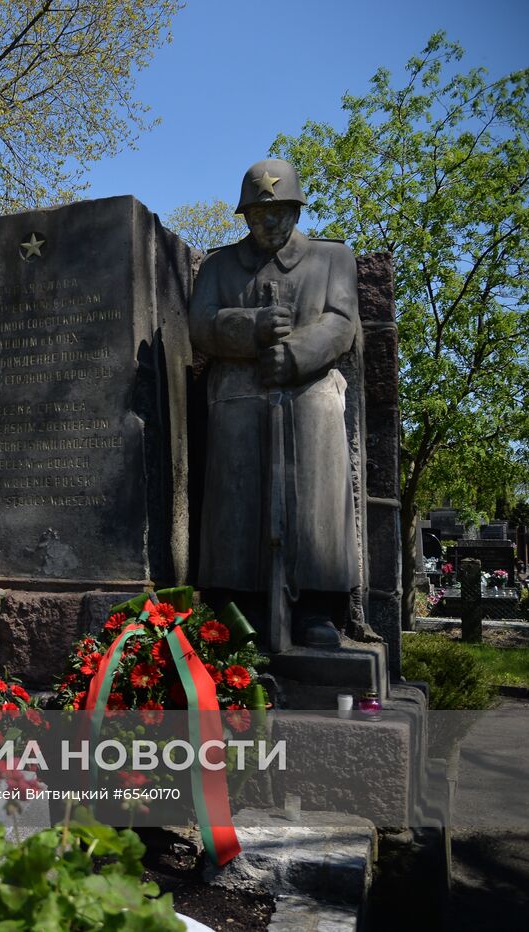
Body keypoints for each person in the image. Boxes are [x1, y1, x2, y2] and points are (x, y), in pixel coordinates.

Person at [190, 159, 359, 651]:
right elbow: (200, 324)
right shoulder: (220, 267)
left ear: (297, 211)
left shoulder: (333, 259)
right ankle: (237, 612)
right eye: (260, 214)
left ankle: (317, 609)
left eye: (281, 212)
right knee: (234, 498)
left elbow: (341, 321)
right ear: (244, 216)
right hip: (239, 398)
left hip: (309, 396)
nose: (270, 223)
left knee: (317, 496)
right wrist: (251, 327)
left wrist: (298, 355)